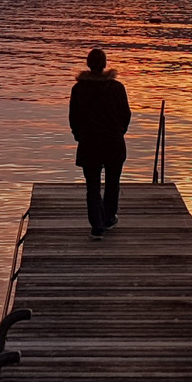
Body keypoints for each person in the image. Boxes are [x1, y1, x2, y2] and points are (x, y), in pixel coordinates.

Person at [68, 47, 131, 239]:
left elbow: (74, 118)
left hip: (89, 143)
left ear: (88, 64)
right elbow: (126, 115)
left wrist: (79, 136)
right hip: (113, 141)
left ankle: (97, 226)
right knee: (113, 183)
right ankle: (109, 217)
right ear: (104, 64)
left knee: (92, 186)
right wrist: (120, 131)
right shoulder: (117, 88)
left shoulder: (78, 89)